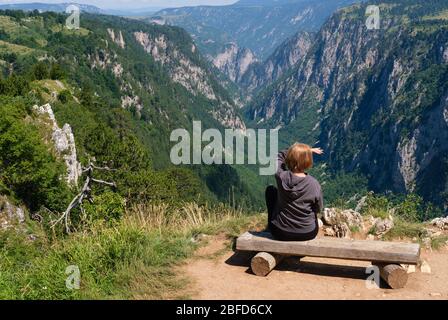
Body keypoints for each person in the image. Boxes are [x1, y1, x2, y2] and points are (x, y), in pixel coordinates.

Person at [265, 143, 324, 241]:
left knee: (271, 191)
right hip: (307, 233)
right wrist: (307, 152)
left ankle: (274, 221)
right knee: (313, 207)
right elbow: (318, 209)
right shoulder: (314, 184)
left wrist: (295, 152)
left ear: (289, 159)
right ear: (308, 161)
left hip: (280, 232)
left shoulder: (281, 176)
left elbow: (278, 157)